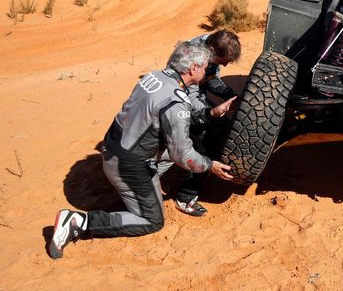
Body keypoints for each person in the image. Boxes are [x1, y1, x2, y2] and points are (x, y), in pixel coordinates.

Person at [48, 42, 236, 259]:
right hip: (127, 164)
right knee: (152, 221)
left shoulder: (154, 77)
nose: (206, 72)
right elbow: (183, 156)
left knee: (173, 153)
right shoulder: (176, 102)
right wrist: (209, 165)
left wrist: (211, 113)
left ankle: (138, 194)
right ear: (193, 68)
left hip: (114, 146)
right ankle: (78, 222)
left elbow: (161, 112)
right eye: (204, 67)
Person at [173, 29, 242, 216]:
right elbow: (189, 99)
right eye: (224, 60)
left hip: (195, 98)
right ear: (211, 50)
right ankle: (185, 196)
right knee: (205, 142)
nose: (226, 64)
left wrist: (230, 95)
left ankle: (211, 168)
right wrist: (210, 113)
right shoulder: (190, 59)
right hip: (179, 106)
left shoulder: (209, 48)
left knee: (223, 127)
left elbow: (210, 80)